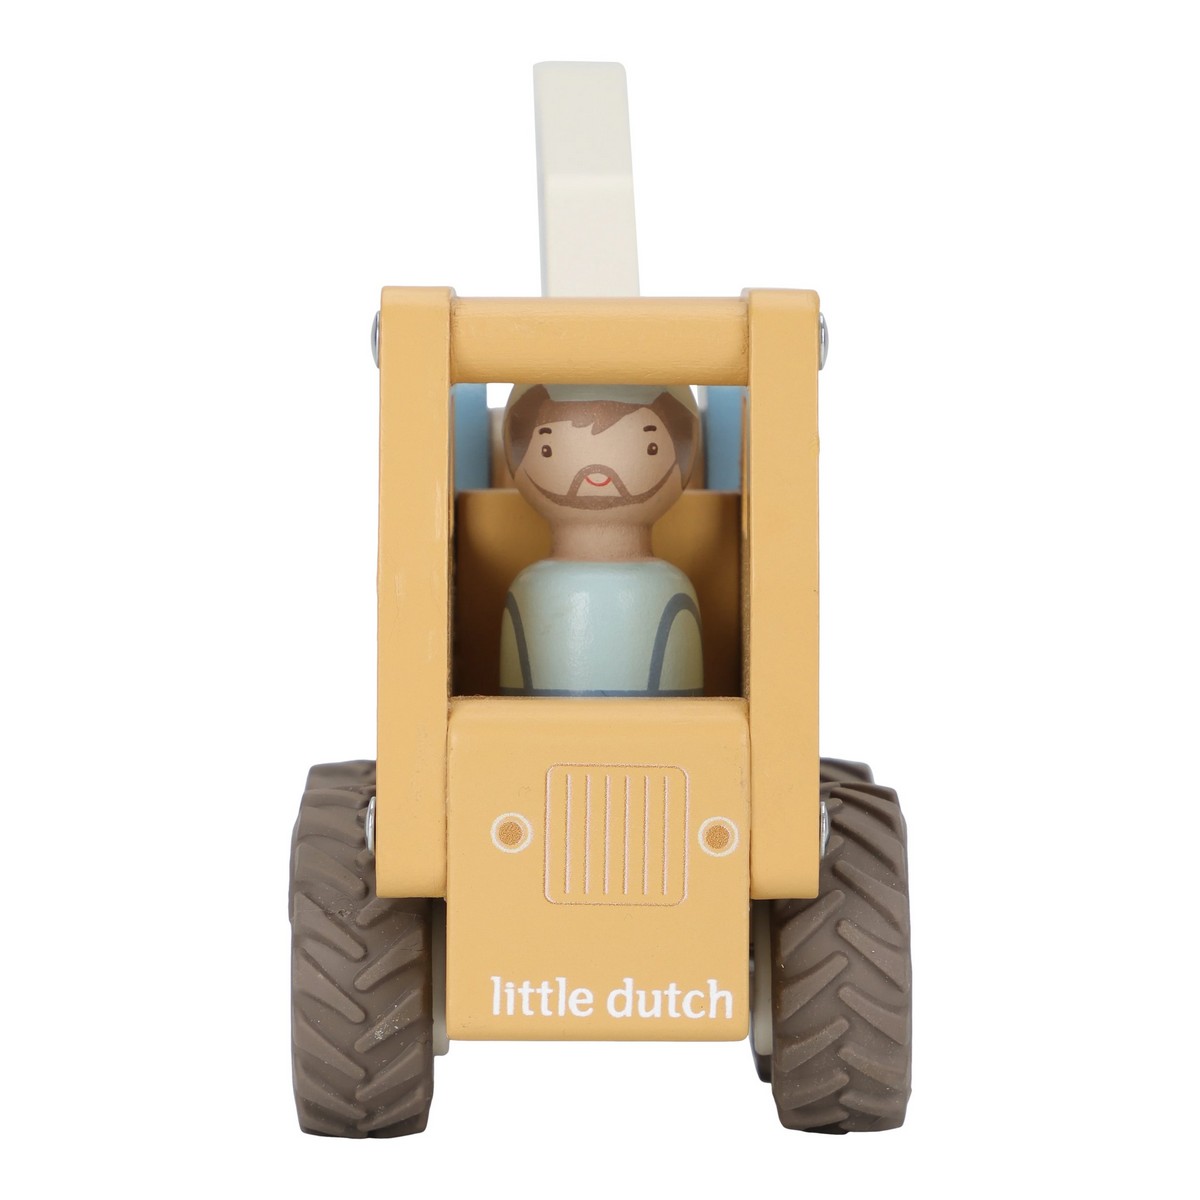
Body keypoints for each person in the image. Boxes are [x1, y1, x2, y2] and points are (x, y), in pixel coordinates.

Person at [500, 383, 703, 697]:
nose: (597, 475)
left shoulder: (669, 587)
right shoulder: (530, 588)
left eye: (649, 447)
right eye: (547, 449)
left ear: (684, 452)